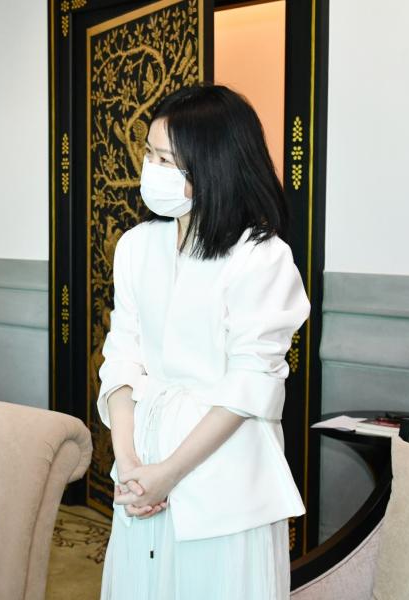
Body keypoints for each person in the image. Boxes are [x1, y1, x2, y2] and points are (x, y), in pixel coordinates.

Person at [97, 84, 310, 599]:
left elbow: (249, 385)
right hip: (143, 467)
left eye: (165, 160)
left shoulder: (260, 257)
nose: (150, 168)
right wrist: (130, 462)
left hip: (222, 474)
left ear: (211, 167)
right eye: (149, 153)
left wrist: (170, 473)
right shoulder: (136, 246)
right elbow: (122, 358)